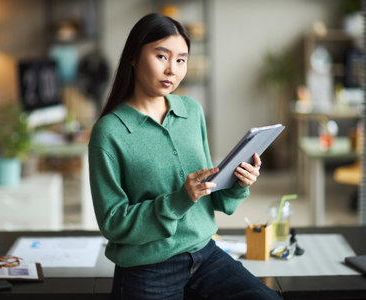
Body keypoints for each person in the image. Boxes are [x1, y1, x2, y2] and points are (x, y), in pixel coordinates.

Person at [88, 13, 282, 300]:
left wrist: (239, 181)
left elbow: (213, 194)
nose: (172, 70)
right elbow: (113, 222)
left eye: (181, 59)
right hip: (147, 267)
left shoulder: (192, 111)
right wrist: (179, 200)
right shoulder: (109, 132)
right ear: (133, 57)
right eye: (161, 56)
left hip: (206, 254)